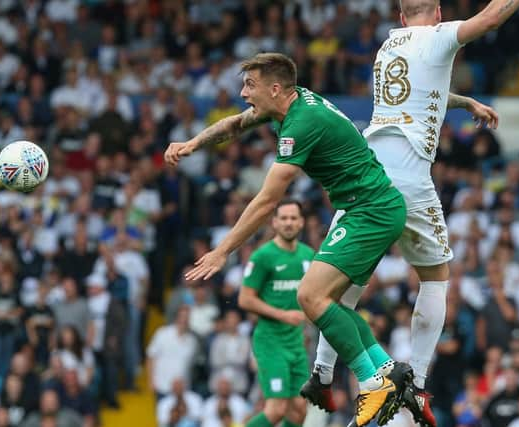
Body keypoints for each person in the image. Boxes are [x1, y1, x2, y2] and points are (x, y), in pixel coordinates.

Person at [302, 1, 519, 426]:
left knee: (339, 280)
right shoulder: (437, 37)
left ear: (403, 18)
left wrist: (463, 103)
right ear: (438, 12)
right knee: (435, 276)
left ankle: (322, 372)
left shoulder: (388, 47)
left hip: (365, 173)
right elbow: (491, 17)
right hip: (408, 179)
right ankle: (416, 386)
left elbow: (422, 91)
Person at [165, 52, 409, 427]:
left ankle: (372, 383)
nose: (244, 93)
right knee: (330, 301)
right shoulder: (287, 104)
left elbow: (267, 201)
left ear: (275, 89)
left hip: (370, 212)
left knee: (310, 297)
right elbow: (234, 125)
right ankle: (387, 370)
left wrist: (222, 251)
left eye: (250, 85)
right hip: (368, 208)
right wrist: (192, 144)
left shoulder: (301, 123)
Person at [237, 199, 314, 427]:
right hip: (271, 342)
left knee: (299, 410)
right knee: (277, 409)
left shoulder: (309, 256)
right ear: (274, 223)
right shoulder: (263, 256)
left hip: (296, 343)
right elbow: (245, 299)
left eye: (293, 218)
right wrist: (283, 315)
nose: (288, 223)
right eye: (284, 218)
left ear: (301, 223)